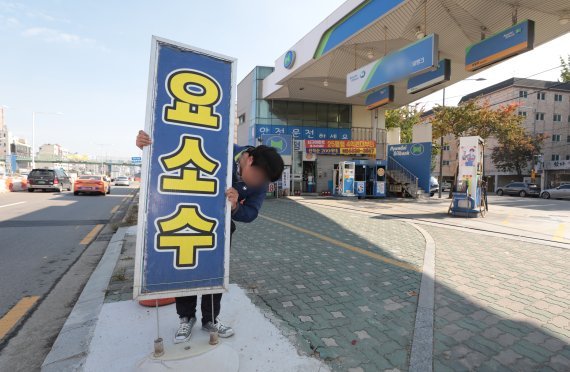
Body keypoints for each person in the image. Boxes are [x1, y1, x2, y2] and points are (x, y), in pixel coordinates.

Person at [136, 130, 284, 343]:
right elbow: (181, 151)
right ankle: (186, 318)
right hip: (189, 220)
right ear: (249, 159)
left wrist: (234, 208)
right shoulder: (220, 149)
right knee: (187, 266)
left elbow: (251, 213)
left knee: (215, 271)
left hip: (221, 230)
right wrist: (149, 146)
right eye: (259, 176)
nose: (259, 183)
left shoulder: (258, 186)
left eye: (265, 181)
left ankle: (210, 319)